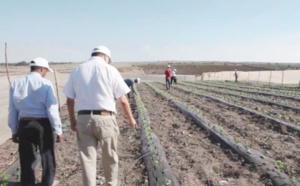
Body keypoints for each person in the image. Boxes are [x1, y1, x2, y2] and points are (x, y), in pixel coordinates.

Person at [63, 45, 137, 186]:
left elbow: (69, 99)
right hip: (105, 118)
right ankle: (110, 183)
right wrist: (131, 119)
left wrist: (73, 120)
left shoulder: (77, 70)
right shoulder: (110, 70)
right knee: (110, 156)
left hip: (83, 119)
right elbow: (123, 100)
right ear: (105, 57)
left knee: (87, 158)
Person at [8, 57, 63, 186]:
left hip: (24, 124)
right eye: (45, 71)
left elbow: (12, 110)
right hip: (42, 124)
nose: (45, 73)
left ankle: (27, 183)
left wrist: (14, 130)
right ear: (42, 69)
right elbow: (52, 109)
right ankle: (47, 182)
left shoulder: (16, 83)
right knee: (47, 155)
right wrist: (58, 129)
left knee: (26, 158)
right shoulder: (45, 84)